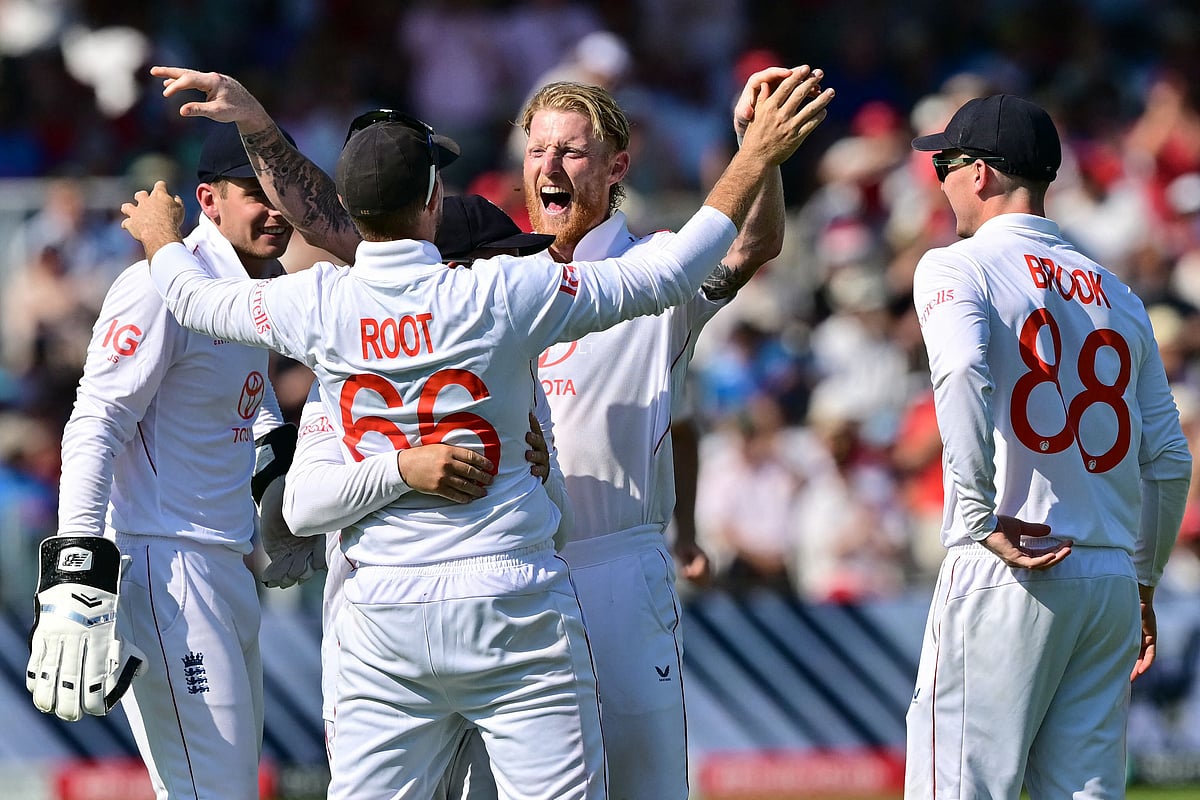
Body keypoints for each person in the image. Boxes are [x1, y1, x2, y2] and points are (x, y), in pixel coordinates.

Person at [121, 64, 830, 800]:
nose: (549, 167)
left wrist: (759, 156)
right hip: (509, 580)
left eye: (571, 151)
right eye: (537, 148)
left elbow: (742, 250)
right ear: (433, 207)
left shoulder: (496, 277)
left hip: (599, 565)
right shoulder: (503, 281)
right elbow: (338, 221)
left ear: (618, 165)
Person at [906, 94, 1193, 799]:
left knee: (958, 787)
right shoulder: (1117, 291)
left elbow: (964, 372)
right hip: (1108, 577)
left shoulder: (956, 267)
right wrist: (1143, 579)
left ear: (981, 174)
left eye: (946, 161)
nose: (940, 178)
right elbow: (1169, 458)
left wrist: (974, 517)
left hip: (1012, 558)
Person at [25, 122, 299, 800]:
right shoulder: (160, 284)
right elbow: (96, 420)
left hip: (224, 566)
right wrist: (75, 572)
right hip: (166, 568)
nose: (275, 209)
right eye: (253, 192)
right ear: (208, 199)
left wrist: (285, 494)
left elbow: (246, 407)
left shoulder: (246, 289)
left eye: (282, 190)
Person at [264, 193, 566, 800]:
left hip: (493, 632)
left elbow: (555, 519)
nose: (513, 278)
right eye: (499, 260)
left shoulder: (513, 377)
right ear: (452, 269)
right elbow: (297, 511)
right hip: (377, 648)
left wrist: (548, 471)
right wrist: (404, 469)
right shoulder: (347, 372)